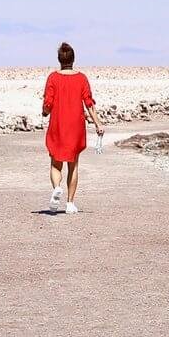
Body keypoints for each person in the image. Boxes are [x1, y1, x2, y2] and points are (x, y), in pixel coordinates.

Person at [41, 42, 102, 214]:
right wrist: (98, 123)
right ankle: (69, 203)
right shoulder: (81, 78)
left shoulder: (52, 78)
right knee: (73, 164)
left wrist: (45, 112)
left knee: (55, 163)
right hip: (75, 125)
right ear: (73, 59)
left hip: (58, 124)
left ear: (59, 60)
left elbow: (48, 103)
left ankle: (56, 188)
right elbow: (89, 103)